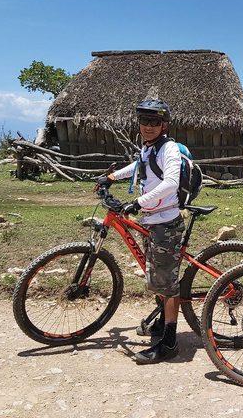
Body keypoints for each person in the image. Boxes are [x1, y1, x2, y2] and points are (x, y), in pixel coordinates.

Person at [94, 98, 185, 364]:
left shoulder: (168, 149)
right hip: (152, 220)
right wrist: (111, 177)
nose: (148, 126)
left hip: (165, 222)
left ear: (164, 124)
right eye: (144, 120)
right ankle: (162, 321)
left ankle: (170, 342)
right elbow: (137, 168)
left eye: (154, 122)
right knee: (157, 274)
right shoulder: (148, 149)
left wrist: (137, 203)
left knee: (167, 284)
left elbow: (171, 182)